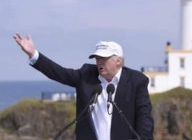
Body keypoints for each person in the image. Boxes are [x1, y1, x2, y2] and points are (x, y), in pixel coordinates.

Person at [13, 33, 154, 140]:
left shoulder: (136, 81)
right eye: (97, 58)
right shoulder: (86, 75)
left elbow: (144, 119)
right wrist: (33, 54)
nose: (99, 62)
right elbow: (59, 73)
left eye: (104, 58)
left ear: (118, 61)